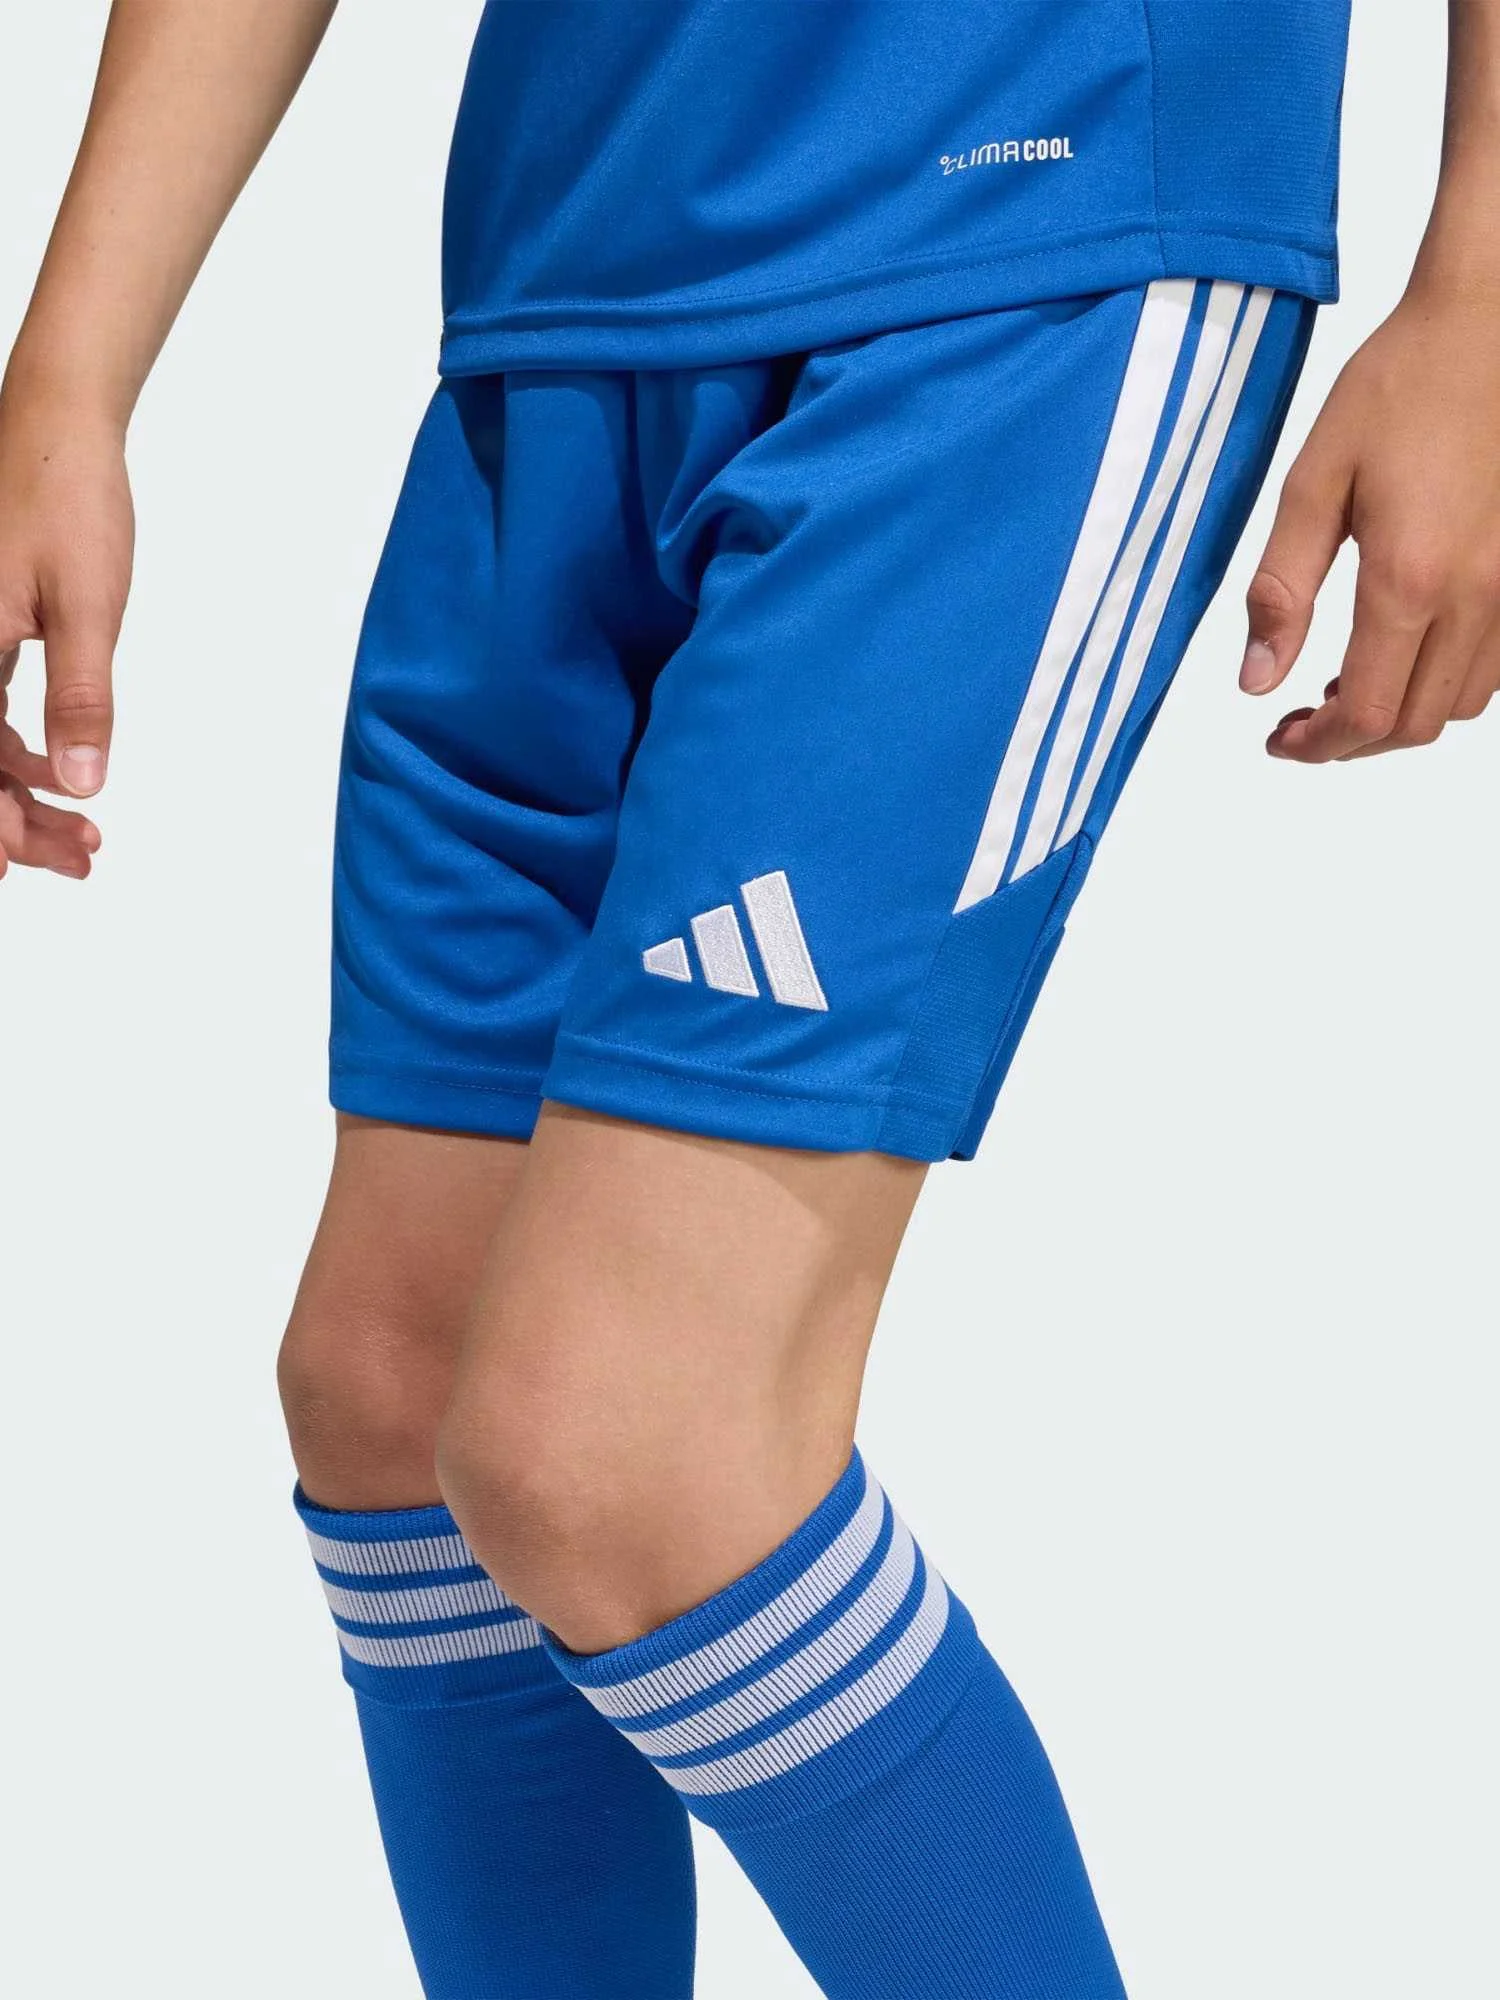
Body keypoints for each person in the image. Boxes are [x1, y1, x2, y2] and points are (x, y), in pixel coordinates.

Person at [1, 3, 1494, 1995]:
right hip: (573, 261)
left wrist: (1486, 287)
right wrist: (67, 377)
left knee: (628, 1449)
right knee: (390, 1397)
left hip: (1023, 220)